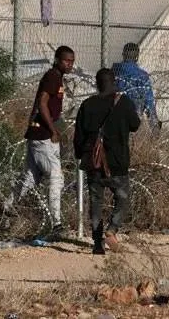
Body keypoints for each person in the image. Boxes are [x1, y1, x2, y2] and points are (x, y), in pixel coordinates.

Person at [3, 46, 75, 237]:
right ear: (57, 59)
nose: (69, 64)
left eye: (72, 61)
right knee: (56, 177)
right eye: (66, 60)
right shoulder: (52, 77)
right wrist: (52, 130)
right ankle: (56, 223)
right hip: (43, 135)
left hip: (37, 134)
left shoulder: (57, 77)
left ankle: (5, 208)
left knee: (30, 177)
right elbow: (42, 103)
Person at [73, 68, 141, 254]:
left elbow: (79, 136)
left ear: (97, 83)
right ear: (114, 82)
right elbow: (135, 125)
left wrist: (81, 156)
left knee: (96, 202)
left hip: (94, 163)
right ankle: (112, 229)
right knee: (123, 198)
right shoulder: (124, 102)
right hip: (117, 162)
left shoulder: (87, 104)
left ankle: (97, 243)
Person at [112, 42, 158, 126]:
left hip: (114, 114)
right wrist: (154, 122)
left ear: (123, 54)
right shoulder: (142, 76)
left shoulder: (113, 72)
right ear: (137, 56)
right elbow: (148, 100)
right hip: (134, 115)